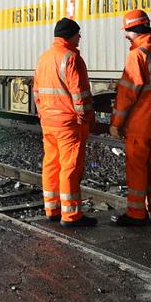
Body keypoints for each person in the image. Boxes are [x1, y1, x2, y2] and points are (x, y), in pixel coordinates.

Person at [109, 10, 151, 227]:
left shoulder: (137, 55)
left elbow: (127, 94)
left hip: (140, 124)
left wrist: (116, 124)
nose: (125, 36)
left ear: (131, 31)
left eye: (126, 31)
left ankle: (136, 214)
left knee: (137, 169)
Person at [32, 18, 97, 227]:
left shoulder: (44, 58)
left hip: (49, 122)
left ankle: (52, 209)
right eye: (78, 34)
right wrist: (85, 119)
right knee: (69, 168)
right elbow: (80, 94)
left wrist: (43, 114)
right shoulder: (71, 58)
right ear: (70, 35)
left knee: (51, 164)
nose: (80, 37)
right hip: (68, 124)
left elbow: (36, 92)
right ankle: (71, 216)